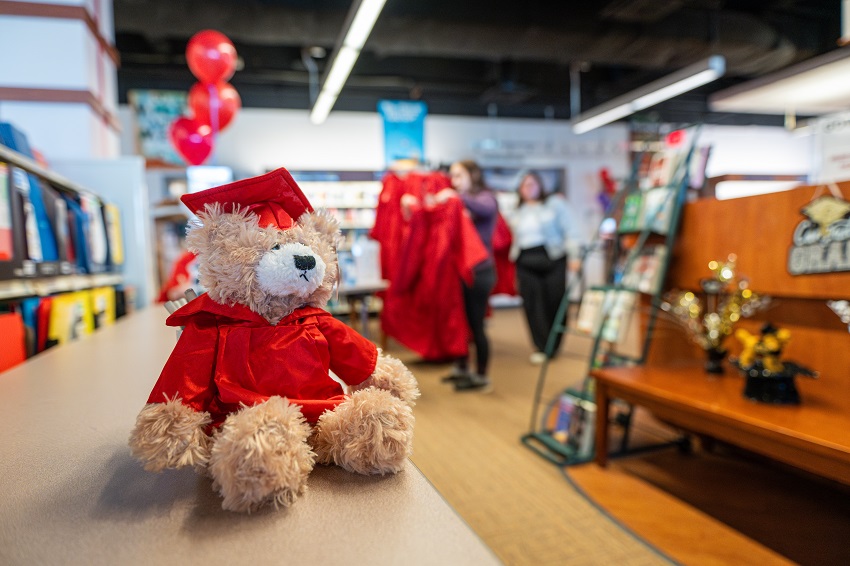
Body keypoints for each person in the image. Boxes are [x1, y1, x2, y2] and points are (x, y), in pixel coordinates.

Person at [509, 172, 582, 364]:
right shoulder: (516, 211)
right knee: (533, 305)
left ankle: (554, 344)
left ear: (540, 185)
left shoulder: (555, 204)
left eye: (532, 184)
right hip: (525, 260)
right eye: (524, 185)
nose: (529, 188)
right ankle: (541, 346)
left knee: (555, 301)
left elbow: (571, 230)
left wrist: (575, 255)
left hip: (553, 257)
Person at [438, 160, 499, 392]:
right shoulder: (458, 200)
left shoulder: (485, 198)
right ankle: (462, 367)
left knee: (476, 324)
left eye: (459, 175)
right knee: (460, 321)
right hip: (460, 272)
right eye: (452, 176)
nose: (455, 181)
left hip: (480, 271)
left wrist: (455, 198)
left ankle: (482, 375)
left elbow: (485, 209)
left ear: (473, 175)